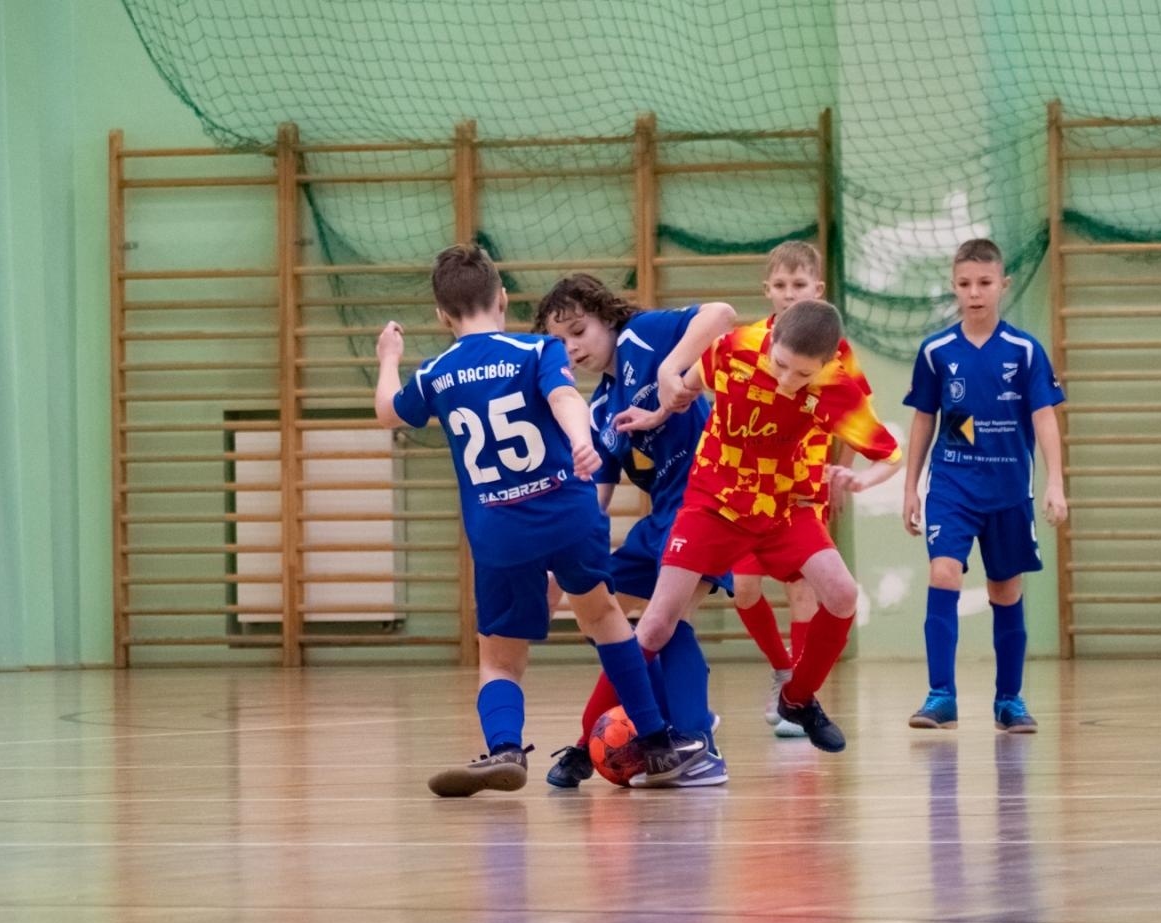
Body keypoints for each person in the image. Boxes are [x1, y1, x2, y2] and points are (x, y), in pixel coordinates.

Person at [373, 244, 690, 796]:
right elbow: (566, 397)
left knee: (499, 654)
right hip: (566, 510)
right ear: (502, 298)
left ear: (442, 316)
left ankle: (504, 749)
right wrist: (581, 440)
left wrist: (387, 358)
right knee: (605, 619)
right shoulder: (535, 348)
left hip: (498, 529)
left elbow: (386, 412)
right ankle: (658, 741)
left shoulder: (435, 373)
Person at [622, 299, 901, 772]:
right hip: (720, 503)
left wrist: (856, 478)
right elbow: (685, 387)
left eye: (803, 374)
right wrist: (654, 414)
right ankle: (589, 741)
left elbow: (882, 446)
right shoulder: (736, 349)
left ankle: (797, 696)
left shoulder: (837, 376)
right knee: (670, 616)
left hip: (789, 501)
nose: (788, 380)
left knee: (835, 592)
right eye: (783, 367)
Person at [532, 274, 736, 788]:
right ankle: (674, 725)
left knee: (658, 626)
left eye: (579, 330)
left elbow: (722, 314)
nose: (572, 347)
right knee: (601, 615)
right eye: (560, 341)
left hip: (707, 501)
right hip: (662, 518)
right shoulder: (600, 408)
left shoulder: (644, 335)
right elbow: (596, 504)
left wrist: (672, 369)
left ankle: (689, 743)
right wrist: (565, 561)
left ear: (607, 317)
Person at [901, 238, 1068, 733]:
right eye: (965, 284)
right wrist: (911, 487)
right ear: (954, 287)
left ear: (1003, 285)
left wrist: (1056, 483)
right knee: (944, 573)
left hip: (1009, 489)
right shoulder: (936, 352)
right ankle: (940, 695)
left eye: (985, 283)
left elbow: (1045, 419)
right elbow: (922, 422)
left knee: (1005, 590)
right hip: (952, 485)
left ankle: (1009, 700)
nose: (975, 293)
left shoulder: (1024, 351)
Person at [729, 241, 864, 738]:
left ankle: (802, 694)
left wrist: (839, 473)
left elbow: (855, 418)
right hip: (746, 489)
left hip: (803, 488)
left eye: (800, 285)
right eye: (781, 286)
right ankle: (782, 666)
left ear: (818, 290)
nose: (790, 294)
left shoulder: (837, 352)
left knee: (803, 592)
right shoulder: (749, 343)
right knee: (743, 589)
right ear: (767, 291)